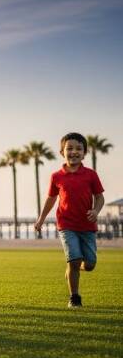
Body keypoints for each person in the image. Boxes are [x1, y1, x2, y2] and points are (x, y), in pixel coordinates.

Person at [34, 132, 105, 308]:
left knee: (89, 264)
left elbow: (99, 197)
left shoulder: (90, 175)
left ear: (84, 153)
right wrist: (41, 219)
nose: (74, 152)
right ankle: (74, 297)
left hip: (87, 226)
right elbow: (51, 199)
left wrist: (95, 211)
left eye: (78, 149)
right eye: (69, 148)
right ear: (62, 152)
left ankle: (74, 269)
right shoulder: (56, 176)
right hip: (66, 225)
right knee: (73, 260)